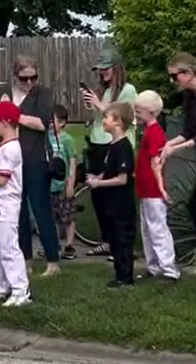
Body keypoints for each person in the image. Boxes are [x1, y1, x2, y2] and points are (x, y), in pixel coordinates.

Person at [0, 55, 59, 276]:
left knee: (42, 210)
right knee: (16, 211)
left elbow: (42, 123)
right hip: (10, 160)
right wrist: (3, 111)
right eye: (24, 78)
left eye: (34, 77)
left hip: (35, 159)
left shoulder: (44, 94)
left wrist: (11, 112)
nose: (29, 83)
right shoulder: (3, 92)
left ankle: (53, 261)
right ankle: (25, 259)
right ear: (15, 76)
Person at [81, 47, 138, 259]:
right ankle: (106, 240)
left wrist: (100, 104)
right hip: (97, 141)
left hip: (115, 144)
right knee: (98, 195)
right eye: (100, 69)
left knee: (115, 196)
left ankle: (120, 245)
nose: (103, 72)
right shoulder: (103, 90)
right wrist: (92, 105)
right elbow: (102, 117)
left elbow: (123, 118)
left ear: (116, 68)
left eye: (106, 68)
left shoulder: (128, 90)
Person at [161, 53, 196, 270]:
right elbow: (189, 130)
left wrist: (175, 148)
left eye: (174, 76)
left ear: (188, 73)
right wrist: (169, 144)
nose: (173, 81)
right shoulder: (190, 97)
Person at [0, 101, 32, 307]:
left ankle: (21, 289)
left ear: (4, 122)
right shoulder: (0, 147)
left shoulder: (11, 148)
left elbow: (2, 179)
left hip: (7, 204)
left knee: (8, 247)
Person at [86, 102, 137, 288]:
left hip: (122, 203)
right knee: (114, 240)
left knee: (123, 240)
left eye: (107, 117)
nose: (104, 120)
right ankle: (119, 275)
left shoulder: (123, 147)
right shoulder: (112, 146)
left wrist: (100, 183)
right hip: (112, 203)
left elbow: (122, 178)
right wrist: (97, 177)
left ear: (118, 122)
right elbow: (110, 171)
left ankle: (126, 278)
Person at [134, 90, 180, 281]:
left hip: (153, 190)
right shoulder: (149, 131)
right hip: (145, 189)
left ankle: (169, 269)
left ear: (151, 112)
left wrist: (161, 188)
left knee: (158, 228)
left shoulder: (154, 133)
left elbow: (156, 162)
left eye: (139, 110)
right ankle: (153, 266)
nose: (136, 113)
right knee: (147, 228)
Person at [48, 105, 77, 260]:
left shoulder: (67, 140)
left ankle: (69, 244)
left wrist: (71, 181)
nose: (51, 124)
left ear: (63, 122)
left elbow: (72, 161)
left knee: (67, 215)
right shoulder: (46, 138)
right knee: (50, 216)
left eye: (54, 121)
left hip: (63, 184)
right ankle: (53, 244)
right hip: (48, 184)